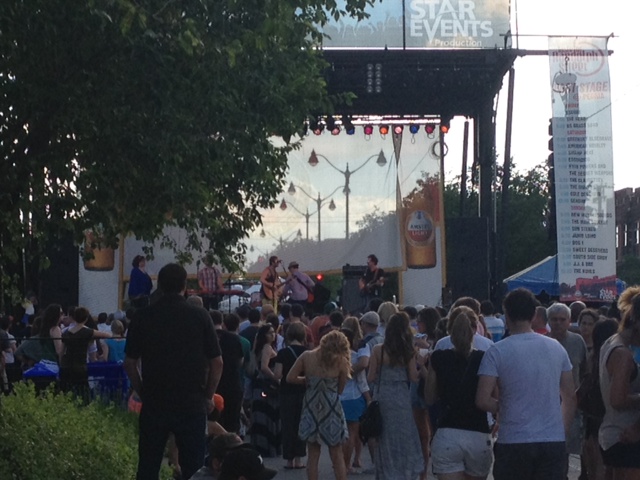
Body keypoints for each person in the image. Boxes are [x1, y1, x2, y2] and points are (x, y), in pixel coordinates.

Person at [124, 263, 223, 480]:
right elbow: (217, 362)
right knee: (194, 469)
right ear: (184, 285)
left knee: (148, 466)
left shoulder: (143, 317)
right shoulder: (200, 316)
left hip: (155, 401)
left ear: (159, 284)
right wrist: (208, 396)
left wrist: (141, 390)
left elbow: (130, 363)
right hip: (191, 401)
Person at [475, 288, 576, 480]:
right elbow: (570, 396)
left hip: (514, 438)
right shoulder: (556, 348)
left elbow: (482, 399)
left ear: (507, 314)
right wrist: (562, 429)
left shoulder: (497, 351)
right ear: (534, 314)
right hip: (552, 439)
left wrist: (503, 406)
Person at [425, 309, 492, 480]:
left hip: (448, 431)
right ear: (474, 332)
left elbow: (429, 397)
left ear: (450, 333)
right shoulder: (484, 358)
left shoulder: (438, 357)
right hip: (478, 431)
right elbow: (494, 394)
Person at [287, 330, 351, 480]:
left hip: (311, 404)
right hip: (331, 407)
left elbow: (290, 377)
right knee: (336, 452)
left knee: (313, 454)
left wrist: (307, 380)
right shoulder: (341, 361)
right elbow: (340, 390)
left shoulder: (307, 356)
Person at [367, 312, 425, 479]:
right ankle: (404, 472)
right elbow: (414, 378)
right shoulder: (408, 350)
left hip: (383, 395)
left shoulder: (379, 350)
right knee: (403, 435)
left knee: (384, 437)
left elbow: (370, 377)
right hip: (401, 396)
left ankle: (386, 472)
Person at [598, 287, 640, 479]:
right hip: (626, 437)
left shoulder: (612, 342)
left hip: (615, 436)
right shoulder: (623, 353)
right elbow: (617, 399)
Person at [547, 302, 587, 473]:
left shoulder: (577, 341)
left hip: (572, 405)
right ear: (548, 321)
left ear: (569, 321)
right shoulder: (543, 343)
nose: (558, 323)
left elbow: (585, 370)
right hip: (548, 405)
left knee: (570, 451)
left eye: (562, 319)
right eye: (554, 319)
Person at [274, 322, 308, 469]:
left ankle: (289, 459)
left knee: (287, 426)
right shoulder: (307, 352)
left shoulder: (282, 353)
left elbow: (277, 375)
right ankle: (299, 459)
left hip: (286, 393)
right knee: (301, 425)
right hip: (302, 392)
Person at [339, 321, 371, 475]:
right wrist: (368, 398)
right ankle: (347, 465)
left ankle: (340, 463)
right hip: (354, 397)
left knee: (341, 434)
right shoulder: (356, 356)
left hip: (338, 398)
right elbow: (362, 381)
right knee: (353, 433)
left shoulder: (333, 357)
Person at [249, 324, 281, 457]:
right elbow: (264, 367)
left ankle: (260, 445)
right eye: (270, 333)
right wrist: (276, 379)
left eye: (273, 332)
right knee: (269, 414)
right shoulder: (267, 348)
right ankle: (269, 446)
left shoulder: (258, 348)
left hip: (258, 385)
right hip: (267, 385)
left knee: (261, 416)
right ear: (264, 335)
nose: (273, 335)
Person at [211, 310, 245, 435]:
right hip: (233, 384)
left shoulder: (207, 337)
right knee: (232, 423)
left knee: (214, 421)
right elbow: (240, 361)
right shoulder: (234, 339)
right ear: (222, 322)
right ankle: (233, 449)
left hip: (215, 385)